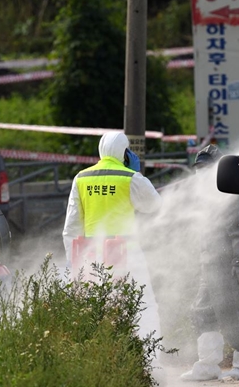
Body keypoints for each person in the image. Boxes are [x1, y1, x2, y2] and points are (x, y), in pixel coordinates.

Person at [61, 131, 164, 369]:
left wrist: (72, 261)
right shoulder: (130, 177)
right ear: (125, 153)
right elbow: (154, 205)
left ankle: (97, 365)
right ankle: (148, 366)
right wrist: (137, 173)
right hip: (127, 253)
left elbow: (71, 226)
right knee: (142, 306)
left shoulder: (81, 178)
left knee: (95, 309)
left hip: (91, 257)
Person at [180, 144, 239, 382]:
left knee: (235, 314)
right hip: (209, 266)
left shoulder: (229, 197)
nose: (200, 174)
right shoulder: (204, 198)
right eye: (198, 168)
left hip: (227, 266)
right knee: (202, 311)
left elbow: (234, 235)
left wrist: (235, 267)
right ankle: (208, 365)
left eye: (205, 168)